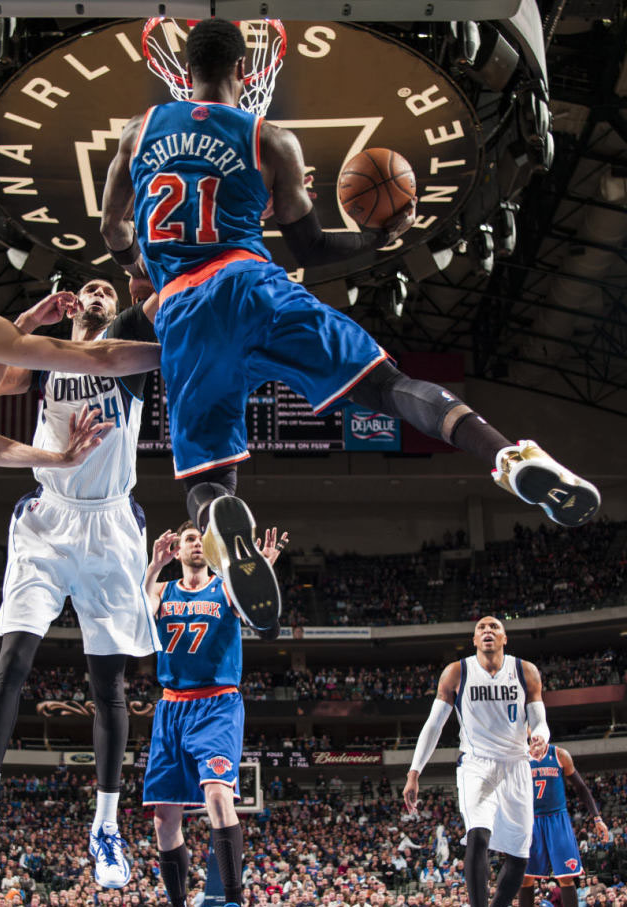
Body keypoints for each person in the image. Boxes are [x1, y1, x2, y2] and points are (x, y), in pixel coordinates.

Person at [100, 17, 600, 636]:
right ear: (244, 71)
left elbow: (113, 232)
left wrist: (141, 271)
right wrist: (375, 237)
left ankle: (229, 519)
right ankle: (509, 456)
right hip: (256, 286)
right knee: (388, 387)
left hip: (182, 308)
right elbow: (308, 246)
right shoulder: (271, 138)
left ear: (185, 69)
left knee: (207, 476)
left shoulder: (136, 132)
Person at [0, 278, 162, 889]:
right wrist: (30, 322)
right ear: (74, 305)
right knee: (13, 659)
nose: (98, 293)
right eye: (89, 288)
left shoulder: (127, 346)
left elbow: (163, 297)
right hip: (48, 516)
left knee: (109, 683)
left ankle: (105, 827)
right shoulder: (41, 360)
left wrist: (143, 265)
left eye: (108, 289)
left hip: (111, 525)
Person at [142, 519, 288, 907]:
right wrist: (153, 567)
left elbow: (264, 621)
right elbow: (140, 616)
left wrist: (261, 575)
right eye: (189, 538)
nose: (194, 544)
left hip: (217, 703)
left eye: (200, 540)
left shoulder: (226, 587)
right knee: (164, 819)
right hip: (172, 706)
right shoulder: (161, 588)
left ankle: (234, 900)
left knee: (219, 797)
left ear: (210, 550)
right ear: (178, 548)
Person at [403, 616, 551, 907]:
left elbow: (540, 721)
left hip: (517, 764)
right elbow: (434, 725)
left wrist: (542, 737)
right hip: (476, 764)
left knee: (520, 857)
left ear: (504, 638)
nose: (487, 631)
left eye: (494, 627)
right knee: (478, 835)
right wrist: (414, 772)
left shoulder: (526, 671)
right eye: (481, 628)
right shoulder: (457, 672)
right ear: (473, 640)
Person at [519, 744, 609, 907]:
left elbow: (581, 787)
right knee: (525, 877)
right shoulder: (519, 756)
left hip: (557, 819)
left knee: (566, 877)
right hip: (531, 820)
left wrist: (597, 818)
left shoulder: (559, 754)